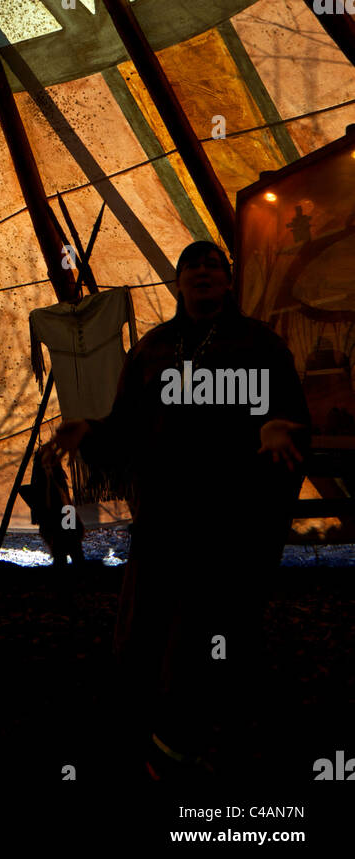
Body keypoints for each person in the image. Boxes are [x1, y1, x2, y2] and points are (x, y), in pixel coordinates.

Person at [43, 240, 309, 779]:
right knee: (144, 624)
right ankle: (136, 732)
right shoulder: (154, 349)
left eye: (214, 265)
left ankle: (186, 746)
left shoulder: (260, 346)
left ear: (228, 281)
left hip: (230, 517)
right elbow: (126, 427)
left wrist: (279, 424)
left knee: (207, 628)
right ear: (179, 282)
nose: (203, 273)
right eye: (193, 266)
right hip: (164, 514)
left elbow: (289, 409)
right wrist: (89, 430)